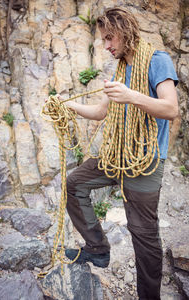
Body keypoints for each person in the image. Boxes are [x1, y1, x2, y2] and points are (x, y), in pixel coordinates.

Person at [63, 7, 178, 300]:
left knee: (144, 236)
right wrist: (67, 105)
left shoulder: (157, 60)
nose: (107, 46)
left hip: (145, 161)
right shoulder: (122, 68)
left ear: (125, 31)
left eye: (110, 38)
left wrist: (131, 96)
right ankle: (98, 249)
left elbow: (171, 108)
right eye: (103, 40)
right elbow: (102, 112)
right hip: (116, 156)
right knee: (74, 184)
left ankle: (148, 296)